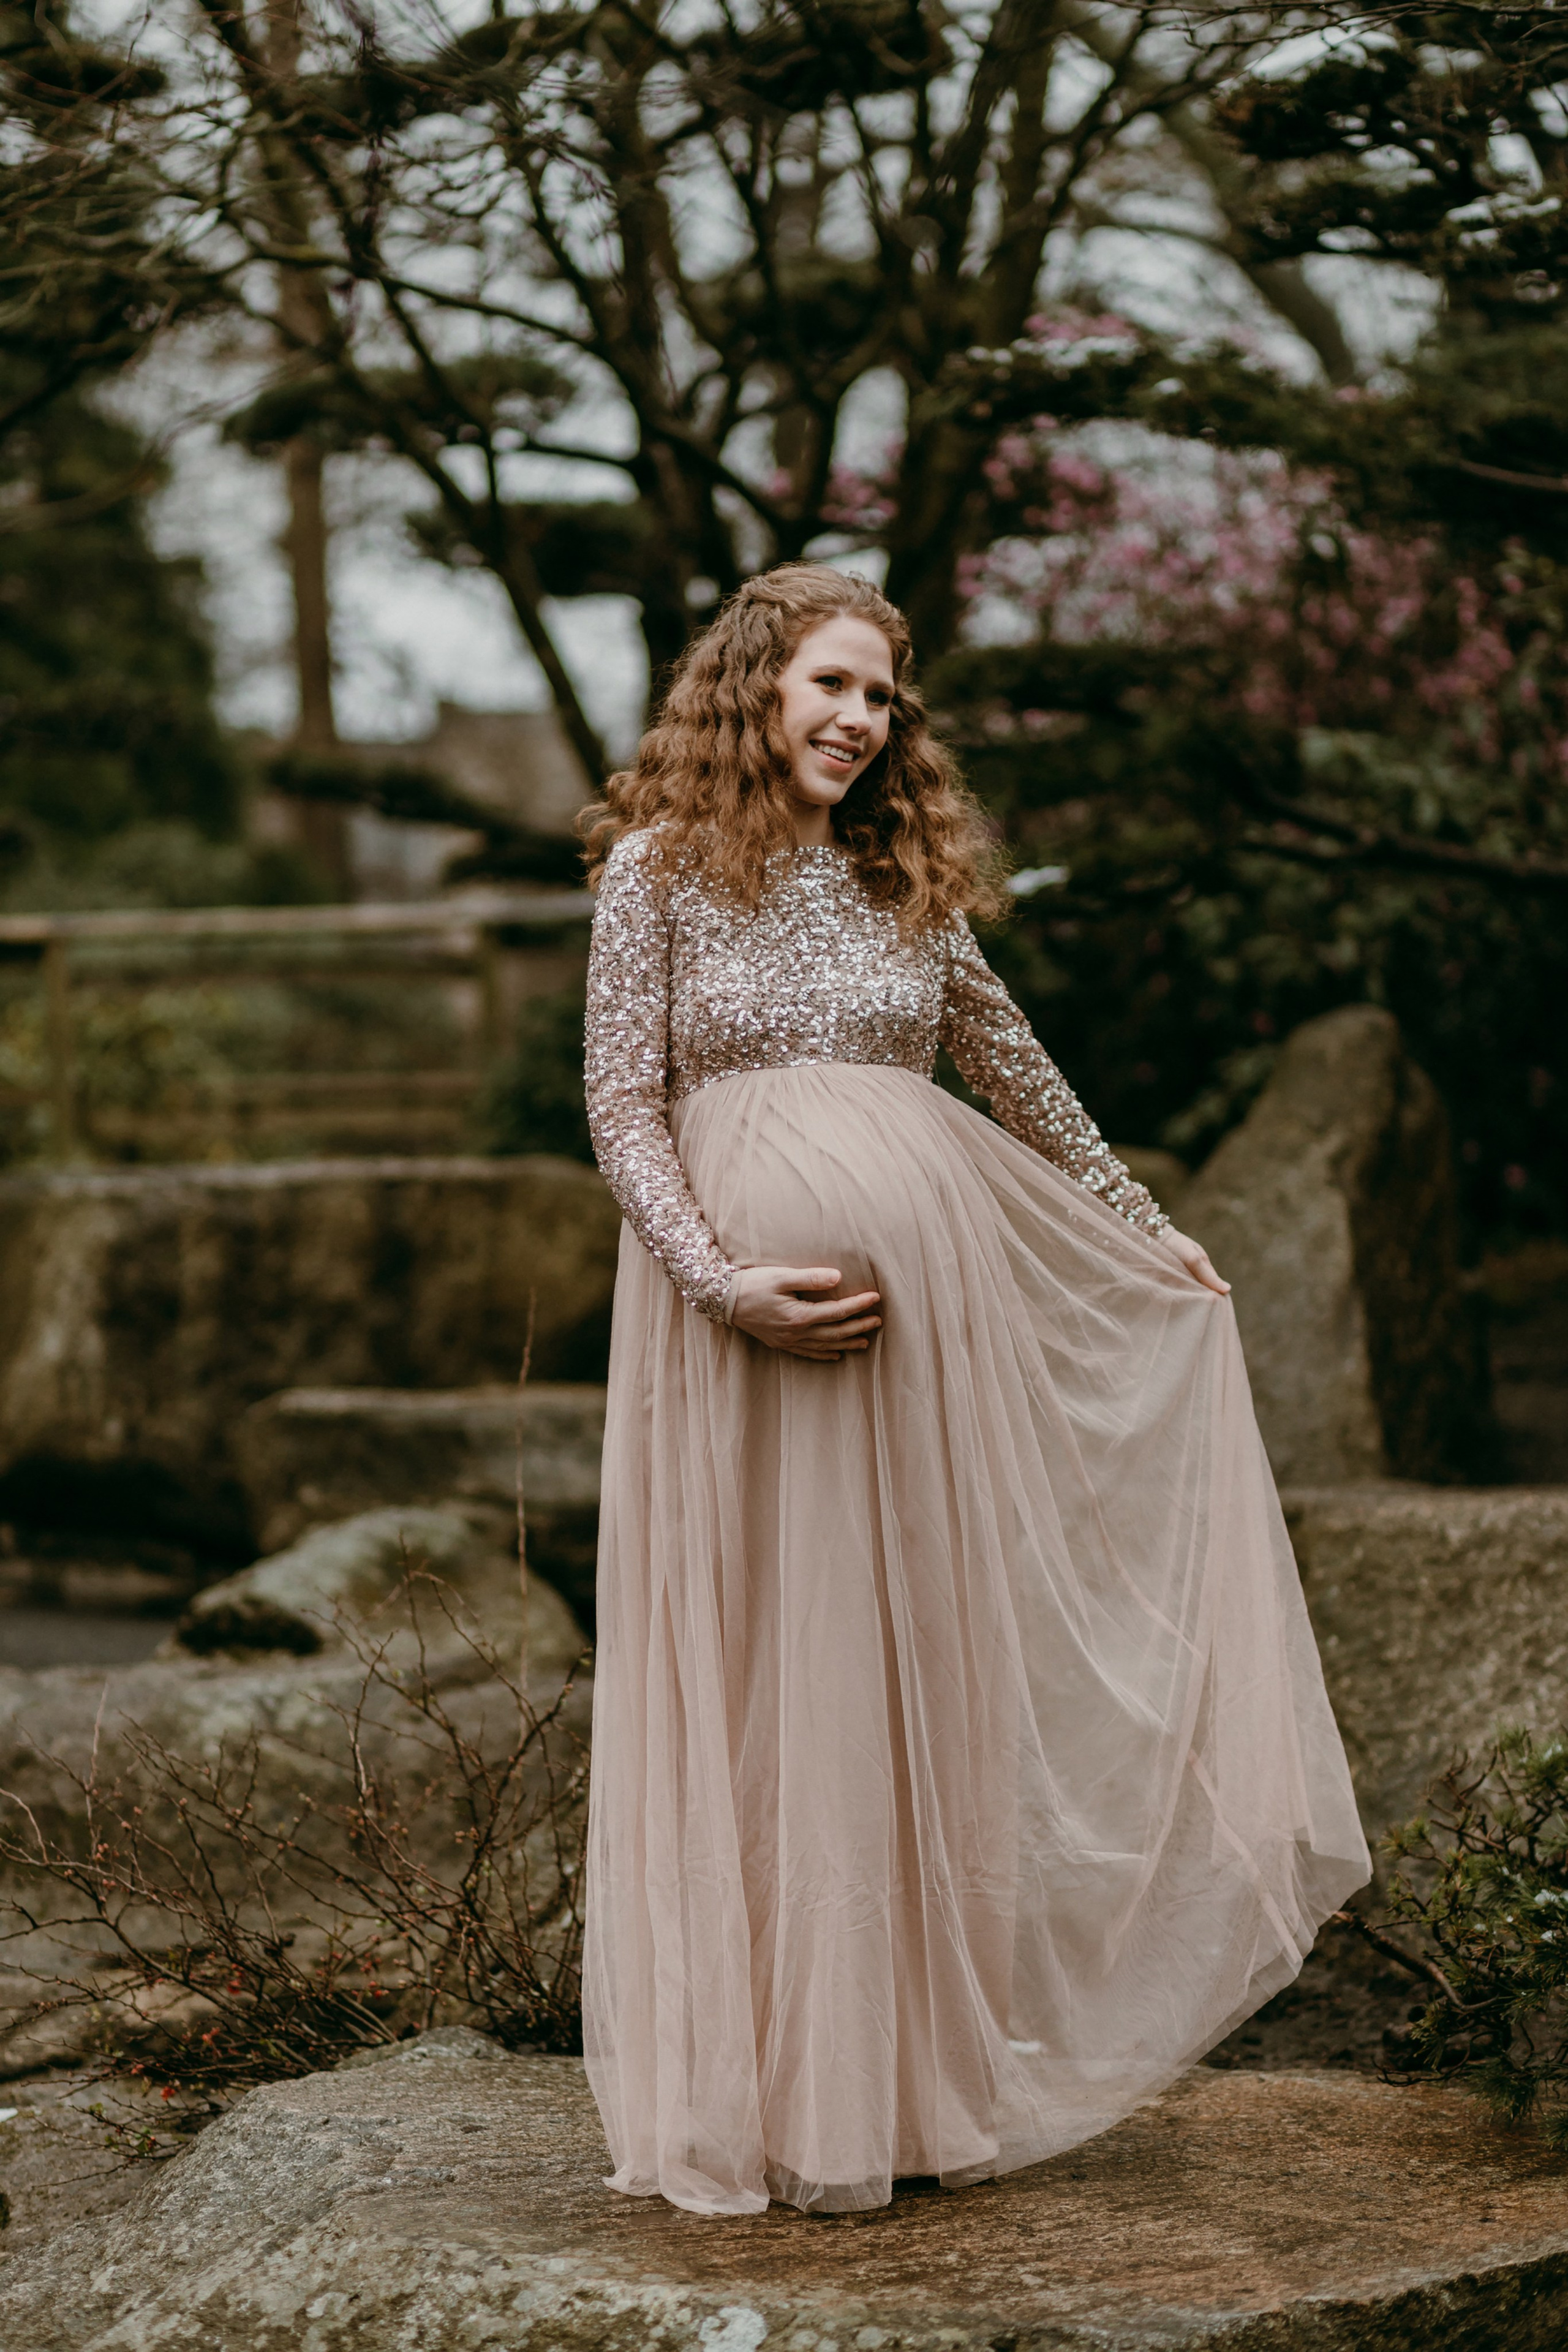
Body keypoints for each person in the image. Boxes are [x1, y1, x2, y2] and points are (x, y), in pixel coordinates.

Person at [579, 563, 1368, 2218]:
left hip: (916, 1353)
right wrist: (718, 1278)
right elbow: (623, 1104)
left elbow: (1017, 1072)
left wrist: (1153, 1233)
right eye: (832, 688)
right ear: (754, 688)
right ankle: (765, 2094)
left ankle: (913, 2089)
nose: (862, 721)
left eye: (883, 698)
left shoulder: (896, 883)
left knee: (910, 1677)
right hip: (734, 1337)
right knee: (765, 1677)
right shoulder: (656, 870)